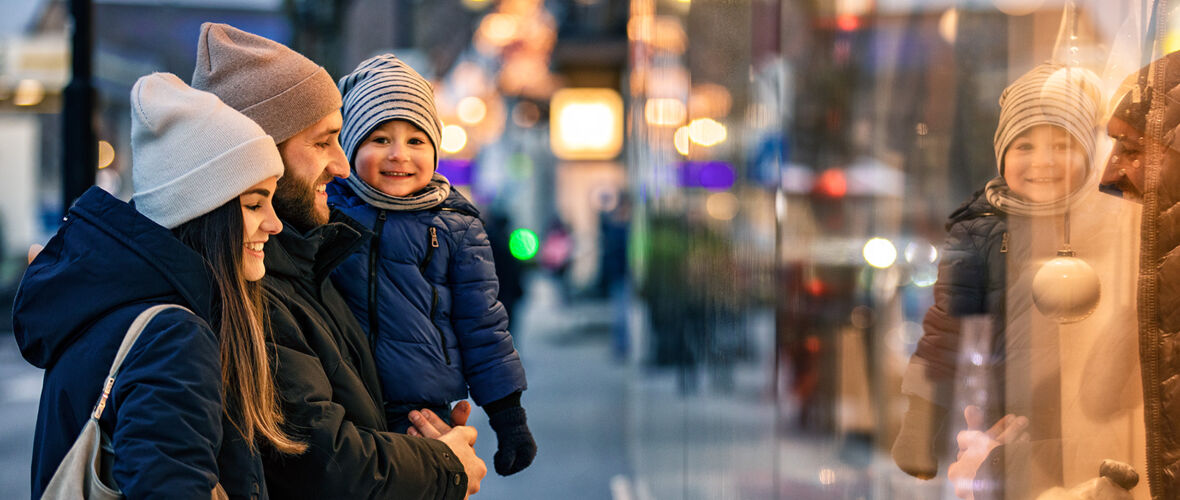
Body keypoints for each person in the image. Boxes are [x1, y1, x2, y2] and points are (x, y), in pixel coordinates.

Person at [190, 23, 485, 498]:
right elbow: (320, 460)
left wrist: (418, 430)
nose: (342, 164)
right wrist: (442, 465)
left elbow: (349, 412)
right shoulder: (248, 284)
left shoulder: (310, 261)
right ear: (262, 152)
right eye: (323, 142)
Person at [16, 72, 299, 499]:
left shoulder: (106, 306)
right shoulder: (173, 338)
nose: (273, 223)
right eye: (255, 203)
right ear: (206, 213)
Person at [891, 62, 1104, 480]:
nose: (1042, 161)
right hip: (1005, 420)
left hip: (1089, 414)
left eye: (1061, 145)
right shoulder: (979, 231)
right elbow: (945, 331)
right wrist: (921, 420)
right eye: (1024, 146)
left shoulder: (1105, 222)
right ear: (1001, 153)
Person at [327, 54, 535, 476]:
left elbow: (483, 326)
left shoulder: (457, 227)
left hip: (419, 410)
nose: (399, 155)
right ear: (349, 146)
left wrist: (508, 417)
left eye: (416, 141)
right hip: (338, 399)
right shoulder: (327, 212)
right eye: (380, 139)